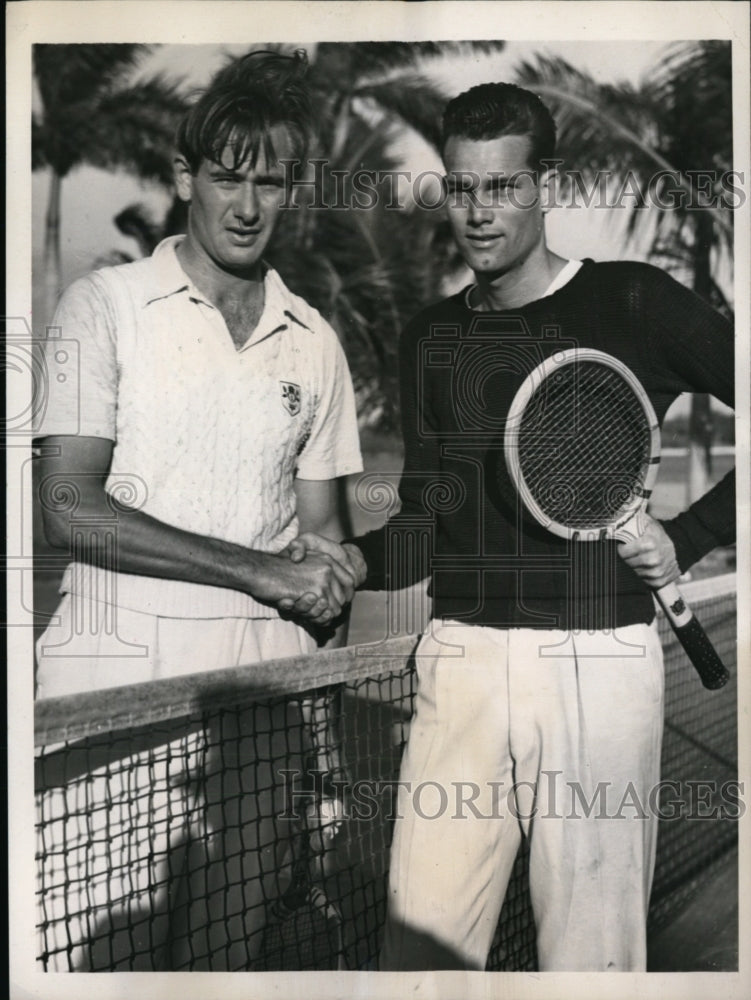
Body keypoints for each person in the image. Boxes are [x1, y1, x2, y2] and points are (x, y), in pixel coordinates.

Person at [285, 82, 735, 971]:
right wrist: (347, 559)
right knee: (420, 961)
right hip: (458, 661)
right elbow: (423, 526)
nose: (478, 213)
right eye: (460, 189)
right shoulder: (429, 336)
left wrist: (686, 536)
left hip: (598, 664)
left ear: (546, 185)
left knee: (591, 966)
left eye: (501, 187)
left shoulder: (634, 302)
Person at [33, 49, 362, 970]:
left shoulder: (315, 342)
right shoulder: (102, 306)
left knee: (221, 971)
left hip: (263, 699)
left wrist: (336, 577)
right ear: (185, 178)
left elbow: (321, 537)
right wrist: (262, 569)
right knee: (100, 967)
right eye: (227, 178)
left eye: (271, 181)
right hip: (112, 686)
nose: (248, 206)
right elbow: (67, 503)